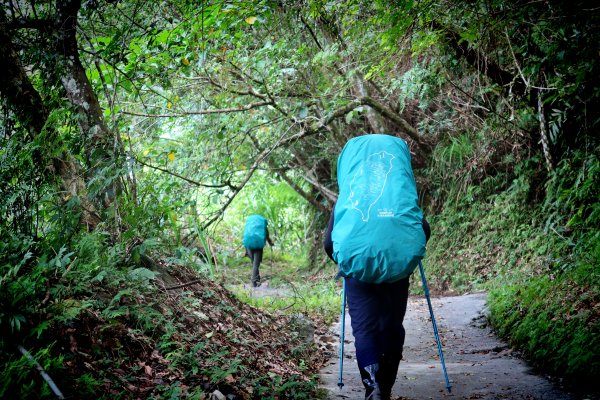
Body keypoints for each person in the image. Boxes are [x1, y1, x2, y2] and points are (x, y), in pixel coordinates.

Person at [323, 134, 431, 400]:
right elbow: (422, 230)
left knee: (364, 330)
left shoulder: (350, 198)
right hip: (396, 273)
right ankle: (387, 387)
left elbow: (329, 243)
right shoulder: (398, 195)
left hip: (358, 274)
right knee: (392, 327)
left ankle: (373, 387)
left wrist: (347, 262)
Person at [242, 214, 273, 287]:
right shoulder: (262, 227)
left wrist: (245, 250)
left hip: (249, 246)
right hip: (258, 246)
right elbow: (267, 236)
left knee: (254, 263)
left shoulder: (249, 227)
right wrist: (271, 243)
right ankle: (253, 282)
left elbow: (245, 237)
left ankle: (257, 280)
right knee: (256, 264)